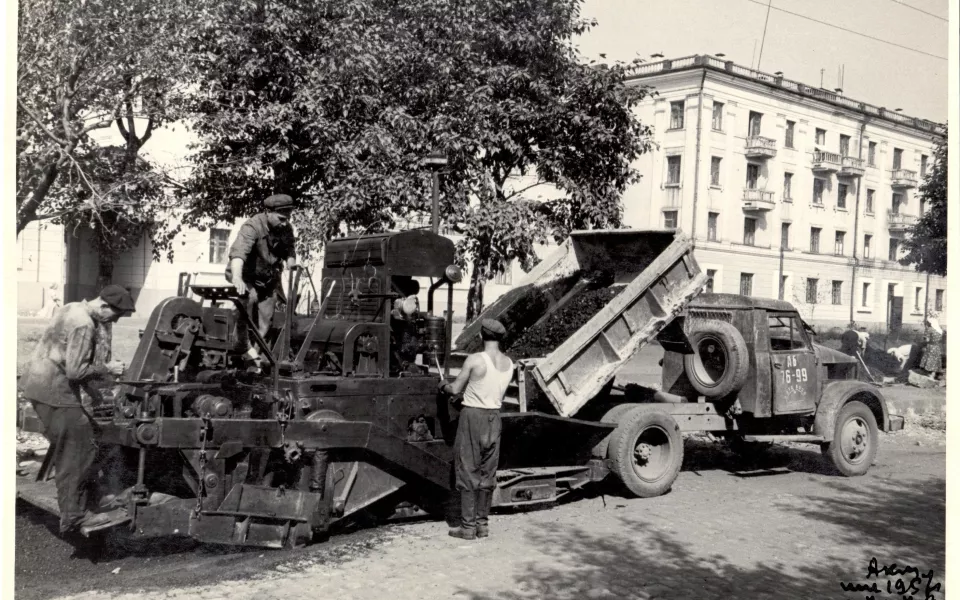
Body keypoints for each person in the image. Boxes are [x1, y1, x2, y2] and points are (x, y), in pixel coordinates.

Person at [18, 285, 134, 536]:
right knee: (77, 448)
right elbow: (75, 371)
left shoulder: (70, 308)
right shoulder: (85, 325)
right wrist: (108, 369)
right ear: (104, 306)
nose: (114, 320)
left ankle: (92, 497)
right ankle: (74, 518)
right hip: (55, 392)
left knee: (88, 436)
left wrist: (93, 394)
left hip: (37, 384)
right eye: (115, 315)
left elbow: (62, 356)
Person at [438, 319, 513, 540]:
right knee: (487, 472)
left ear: (481, 336)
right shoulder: (509, 363)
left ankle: (468, 528)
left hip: (473, 417)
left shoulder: (475, 360)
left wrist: (442, 385)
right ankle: (482, 526)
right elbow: (490, 389)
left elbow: (454, 389)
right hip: (494, 418)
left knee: (468, 470)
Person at [225, 193, 298, 369]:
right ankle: (240, 346)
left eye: (288, 218)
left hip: (268, 279)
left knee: (267, 318)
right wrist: (236, 277)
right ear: (268, 212)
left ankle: (255, 359)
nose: (286, 222)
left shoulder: (285, 228)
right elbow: (238, 254)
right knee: (247, 300)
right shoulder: (252, 226)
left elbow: (289, 250)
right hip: (246, 276)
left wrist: (291, 262)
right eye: (282, 218)